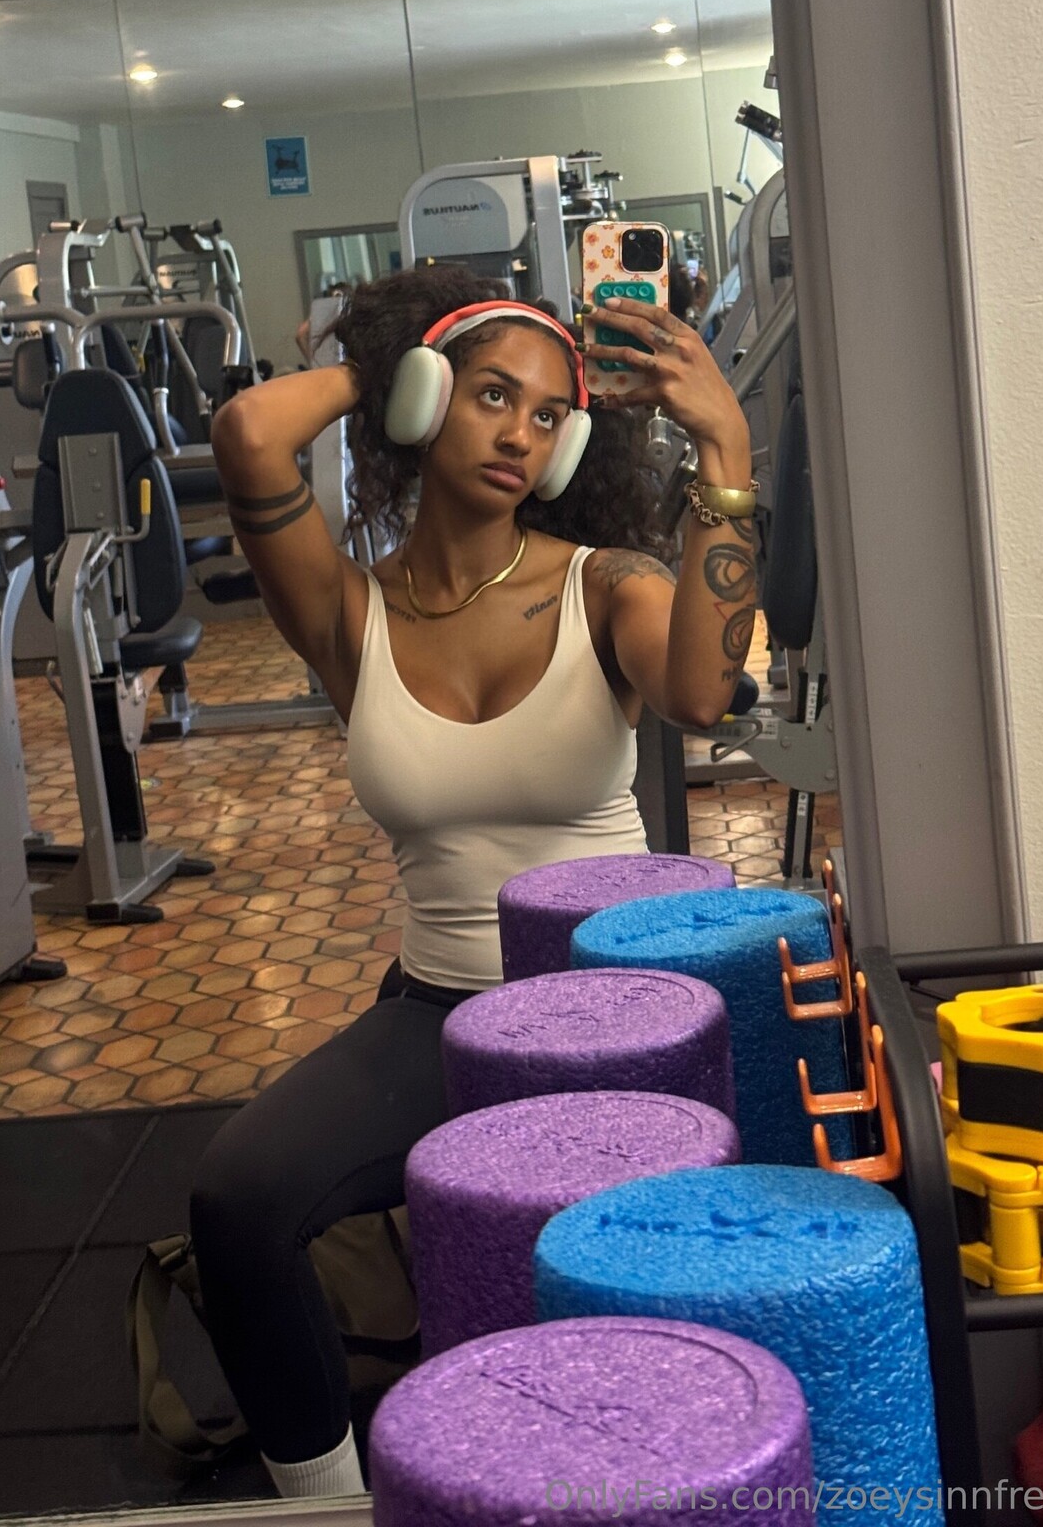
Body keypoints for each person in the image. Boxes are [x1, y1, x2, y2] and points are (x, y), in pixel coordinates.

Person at [190, 261, 756, 1499]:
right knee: (238, 1200)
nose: (519, 433)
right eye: (491, 394)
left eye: (549, 415)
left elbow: (705, 695)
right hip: (440, 1009)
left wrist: (724, 448)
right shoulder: (350, 614)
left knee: (589, 1283)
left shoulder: (606, 584)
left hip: (614, 1014)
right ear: (425, 398)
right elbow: (249, 435)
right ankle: (329, 1506)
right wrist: (395, 362)